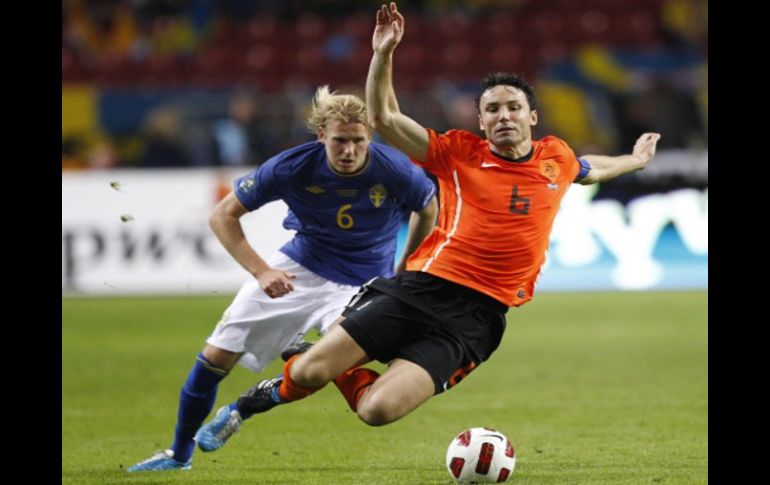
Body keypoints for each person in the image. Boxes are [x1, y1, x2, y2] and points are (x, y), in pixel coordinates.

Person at [194, 0, 662, 452]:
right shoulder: (457, 153)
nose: (503, 115)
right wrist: (383, 54)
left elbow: (591, 169)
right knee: (310, 372)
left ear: (532, 116)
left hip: (478, 319)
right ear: (481, 121)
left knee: (376, 410)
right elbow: (384, 117)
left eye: (513, 107)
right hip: (422, 289)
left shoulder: (556, 157)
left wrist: (635, 160)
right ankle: (249, 404)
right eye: (493, 109)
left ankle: (316, 357)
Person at [127, 84, 438, 472]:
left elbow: (428, 209)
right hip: (300, 269)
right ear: (321, 135)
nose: (349, 150)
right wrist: (262, 270)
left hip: (363, 283)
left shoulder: (393, 169)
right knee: (215, 357)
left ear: (369, 136)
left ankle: (248, 404)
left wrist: (406, 265)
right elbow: (222, 215)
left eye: (358, 141)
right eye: (340, 141)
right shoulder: (292, 166)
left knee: (332, 361)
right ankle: (178, 456)